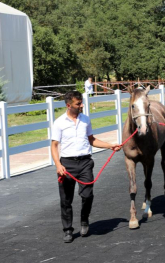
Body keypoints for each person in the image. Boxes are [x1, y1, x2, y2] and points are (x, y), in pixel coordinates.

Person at [51, 91, 121, 243]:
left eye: (81, 102)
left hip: (85, 163)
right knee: (66, 200)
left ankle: (84, 220)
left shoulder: (85, 120)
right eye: (78, 103)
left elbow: (91, 139)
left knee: (87, 195)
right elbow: (54, 145)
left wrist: (110, 146)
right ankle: (68, 230)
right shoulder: (59, 123)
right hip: (67, 164)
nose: (81, 105)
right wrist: (58, 165)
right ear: (69, 105)